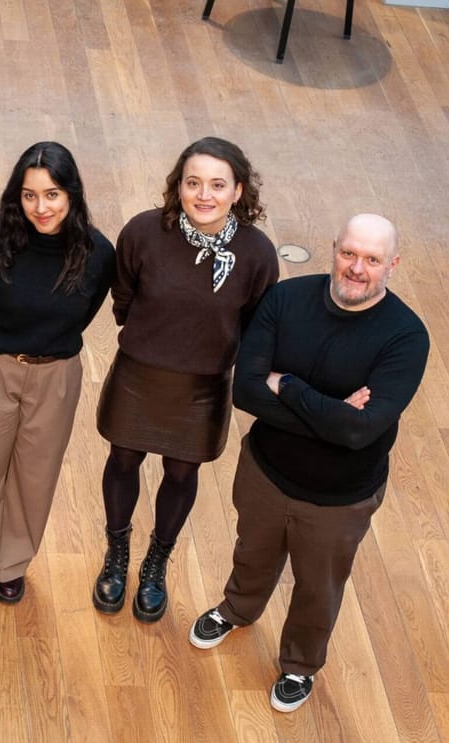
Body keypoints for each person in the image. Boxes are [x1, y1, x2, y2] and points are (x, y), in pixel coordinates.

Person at [188, 214, 428, 713]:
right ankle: (238, 609)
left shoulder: (406, 337)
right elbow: (246, 391)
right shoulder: (286, 299)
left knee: (319, 586)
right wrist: (335, 412)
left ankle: (300, 663)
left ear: (393, 265)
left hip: (340, 498)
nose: (357, 268)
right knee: (252, 552)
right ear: (334, 247)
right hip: (265, 471)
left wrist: (289, 385)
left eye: (372, 259)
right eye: (349, 253)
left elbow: (360, 432)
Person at [93, 137, 279, 622]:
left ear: (238, 191)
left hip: (203, 387)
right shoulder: (143, 232)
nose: (204, 195)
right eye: (193, 183)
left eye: (217, 185)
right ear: (179, 186)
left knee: (181, 473)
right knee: (122, 459)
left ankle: (157, 561)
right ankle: (117, 553)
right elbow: (123, 296)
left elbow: (257, 324)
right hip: (139, 374)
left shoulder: (257, 254)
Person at [0, 142, 116, 603]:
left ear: (71, 195)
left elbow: (83, 314)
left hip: (56, 377)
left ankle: (12, 563)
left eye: (52, 195)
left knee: (36, 477)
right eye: (29, 195)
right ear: (16, 196)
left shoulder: (99, 253)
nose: (41, 207)